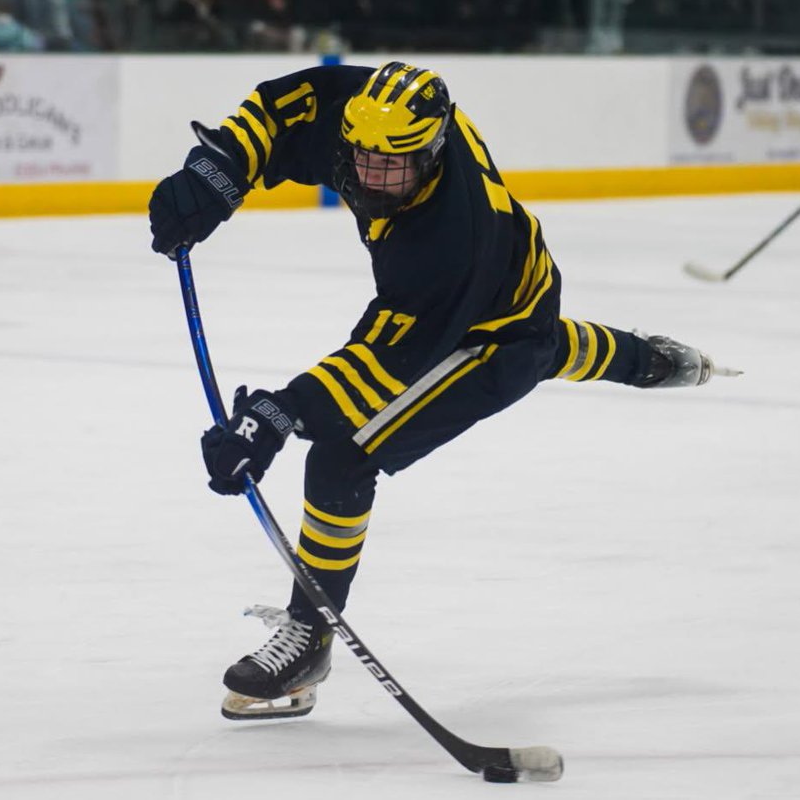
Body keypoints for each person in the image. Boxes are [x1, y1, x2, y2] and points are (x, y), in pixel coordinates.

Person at [147, 62, 737, 720]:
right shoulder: (370, 119)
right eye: (362, 159)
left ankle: (310, 638)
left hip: (487, 338)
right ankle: (651, 360)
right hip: (513, 289)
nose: (371, 177)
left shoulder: (447, 242)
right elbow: (283, 109)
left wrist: (277, 416)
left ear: (431, 154)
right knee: (548, 343)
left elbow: (384, 365)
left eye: (391, 167)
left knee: (343, 457)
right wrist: (219, 171)